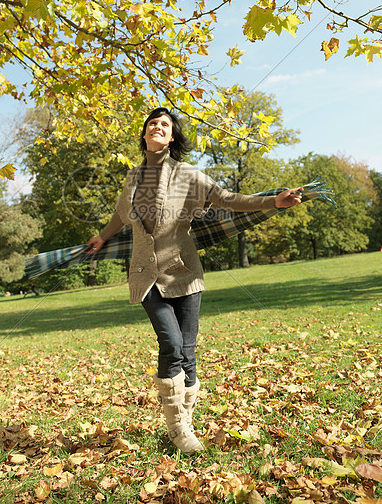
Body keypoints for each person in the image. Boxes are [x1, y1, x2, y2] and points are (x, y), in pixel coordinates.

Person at [87, 107, 303, 454]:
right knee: (171, 345)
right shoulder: (133, 177)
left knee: (187, 352)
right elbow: (119, 215)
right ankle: (178, 430)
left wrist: (272, 202)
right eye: (152, 123)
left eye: (165, 125)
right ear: (144, 135)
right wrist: (102, 235)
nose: (157, 127)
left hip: (185, 274)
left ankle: (183, 423)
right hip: (146, 275)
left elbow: (228, 199)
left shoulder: (187, 175)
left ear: (171, 138)